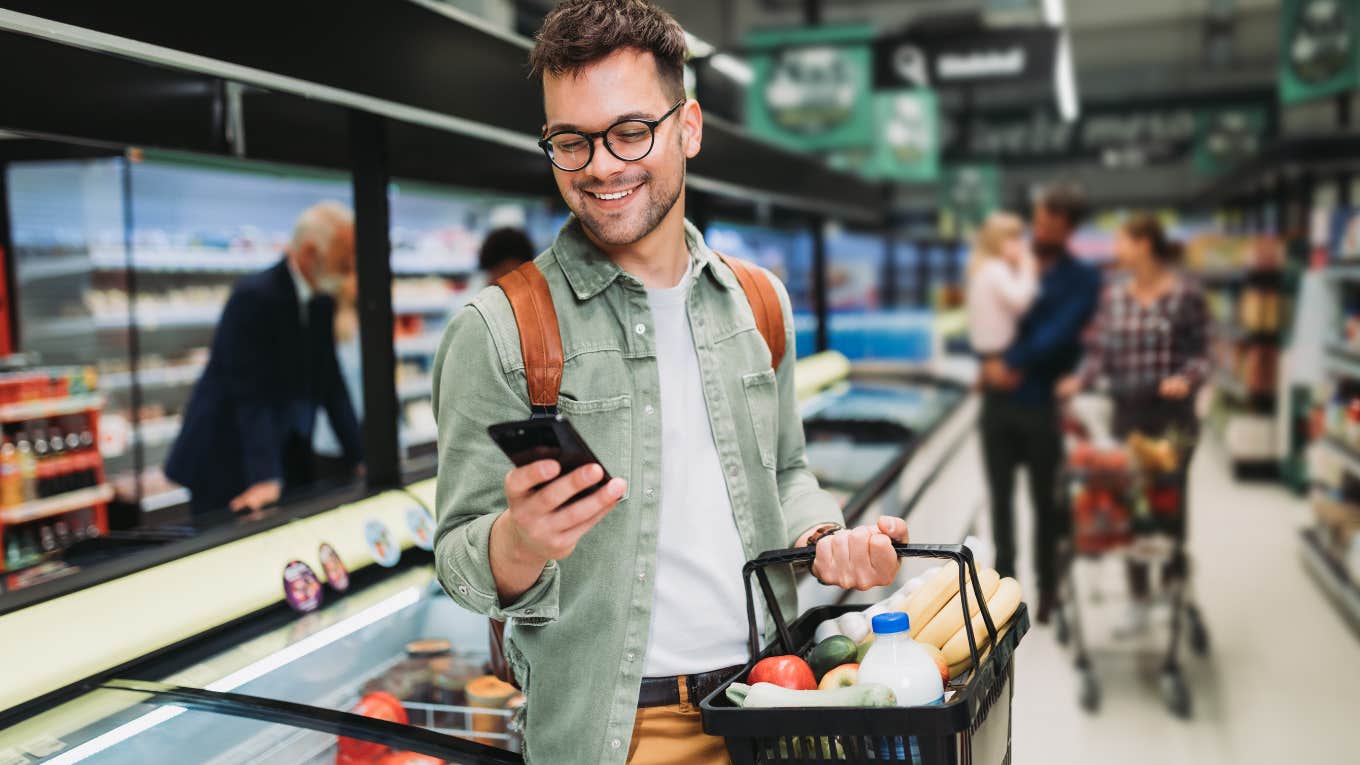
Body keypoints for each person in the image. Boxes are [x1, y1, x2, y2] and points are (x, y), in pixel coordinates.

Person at [432, 3, 911, 763]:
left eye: (629, 132)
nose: (599, 165)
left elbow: (785, 471)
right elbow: (457, 558)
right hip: (615, 734)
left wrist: (826, 538)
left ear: (688, 127)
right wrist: (520, 542)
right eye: (570, 140)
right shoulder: (499, 329)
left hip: (774, 704)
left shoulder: (760, 302)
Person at [1058, 213, 1209, 632]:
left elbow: (1202, 355)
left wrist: (1187, 379)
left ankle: (1173, 582)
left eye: (1121, 241)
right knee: (1130, 505)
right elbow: (1100, 353)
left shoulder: (1185, 295)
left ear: (1144, 243)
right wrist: (1078, 381)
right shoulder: (1116, 297)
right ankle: (1140, 598)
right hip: (1129, 415)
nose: (1115, 250)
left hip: (1173, 418)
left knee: (1169, 504)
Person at [165, 202, 363, 518]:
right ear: (312, 253)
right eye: (344, 261)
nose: (351, 271)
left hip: (283, 453)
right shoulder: (255, 297)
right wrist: (265, 476)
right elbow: (251, 393)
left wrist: (360, 455)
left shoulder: (321, 302)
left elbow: (330, 384)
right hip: (227, 456)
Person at [979, 183, 1101, 624]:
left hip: (1041, 402)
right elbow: (987, 312)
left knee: (1046, 501)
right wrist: (987, 361)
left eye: (1053, 223)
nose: (1042, 229)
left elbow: (1061, 332)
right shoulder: (1009, 262)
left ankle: (1049, 586)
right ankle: (1004, 590)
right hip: (997, 402)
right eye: (1040, 219)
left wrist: (1011, 362)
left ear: (1068, 229)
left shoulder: (1083, 278)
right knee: (1000, 500)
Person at [965, 211, 1037, 358]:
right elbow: (1020, 302)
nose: (1022, 244)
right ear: (997, 242)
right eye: (1015, 239)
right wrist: (1027, 268)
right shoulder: (996, 269)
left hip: (985, 348)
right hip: (999, 350)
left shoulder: (983, 268)